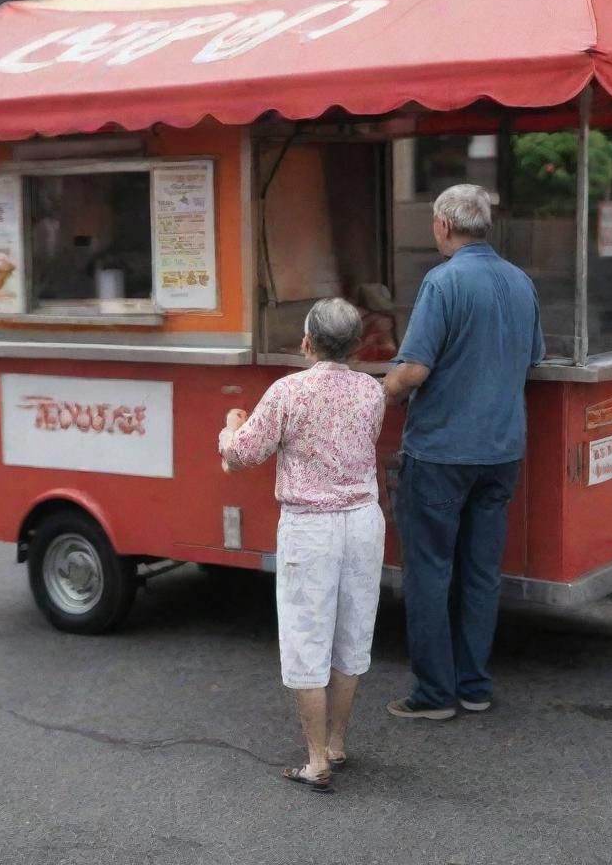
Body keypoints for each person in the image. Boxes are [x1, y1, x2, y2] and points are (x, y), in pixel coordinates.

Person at [383, 183, 544, 720]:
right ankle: (474, 687)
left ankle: (432, 695)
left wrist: (384, 387)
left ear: (444, 226)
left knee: (430, 572)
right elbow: (534, 358)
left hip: (441, 453)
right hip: (501, 452)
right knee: (480, 572)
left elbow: (415, 369)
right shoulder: (521, 282)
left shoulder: (443, 282)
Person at [219, 297, 386, 793]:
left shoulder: (287, 391)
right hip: (362, 521)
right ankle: (337, 742)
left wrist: (228, 426)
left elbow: (242, 455)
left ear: (307, 342)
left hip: (310, 527)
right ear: (357, 345)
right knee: (352, 633)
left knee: (306, 639)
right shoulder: (371, 392)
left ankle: (317, 761)